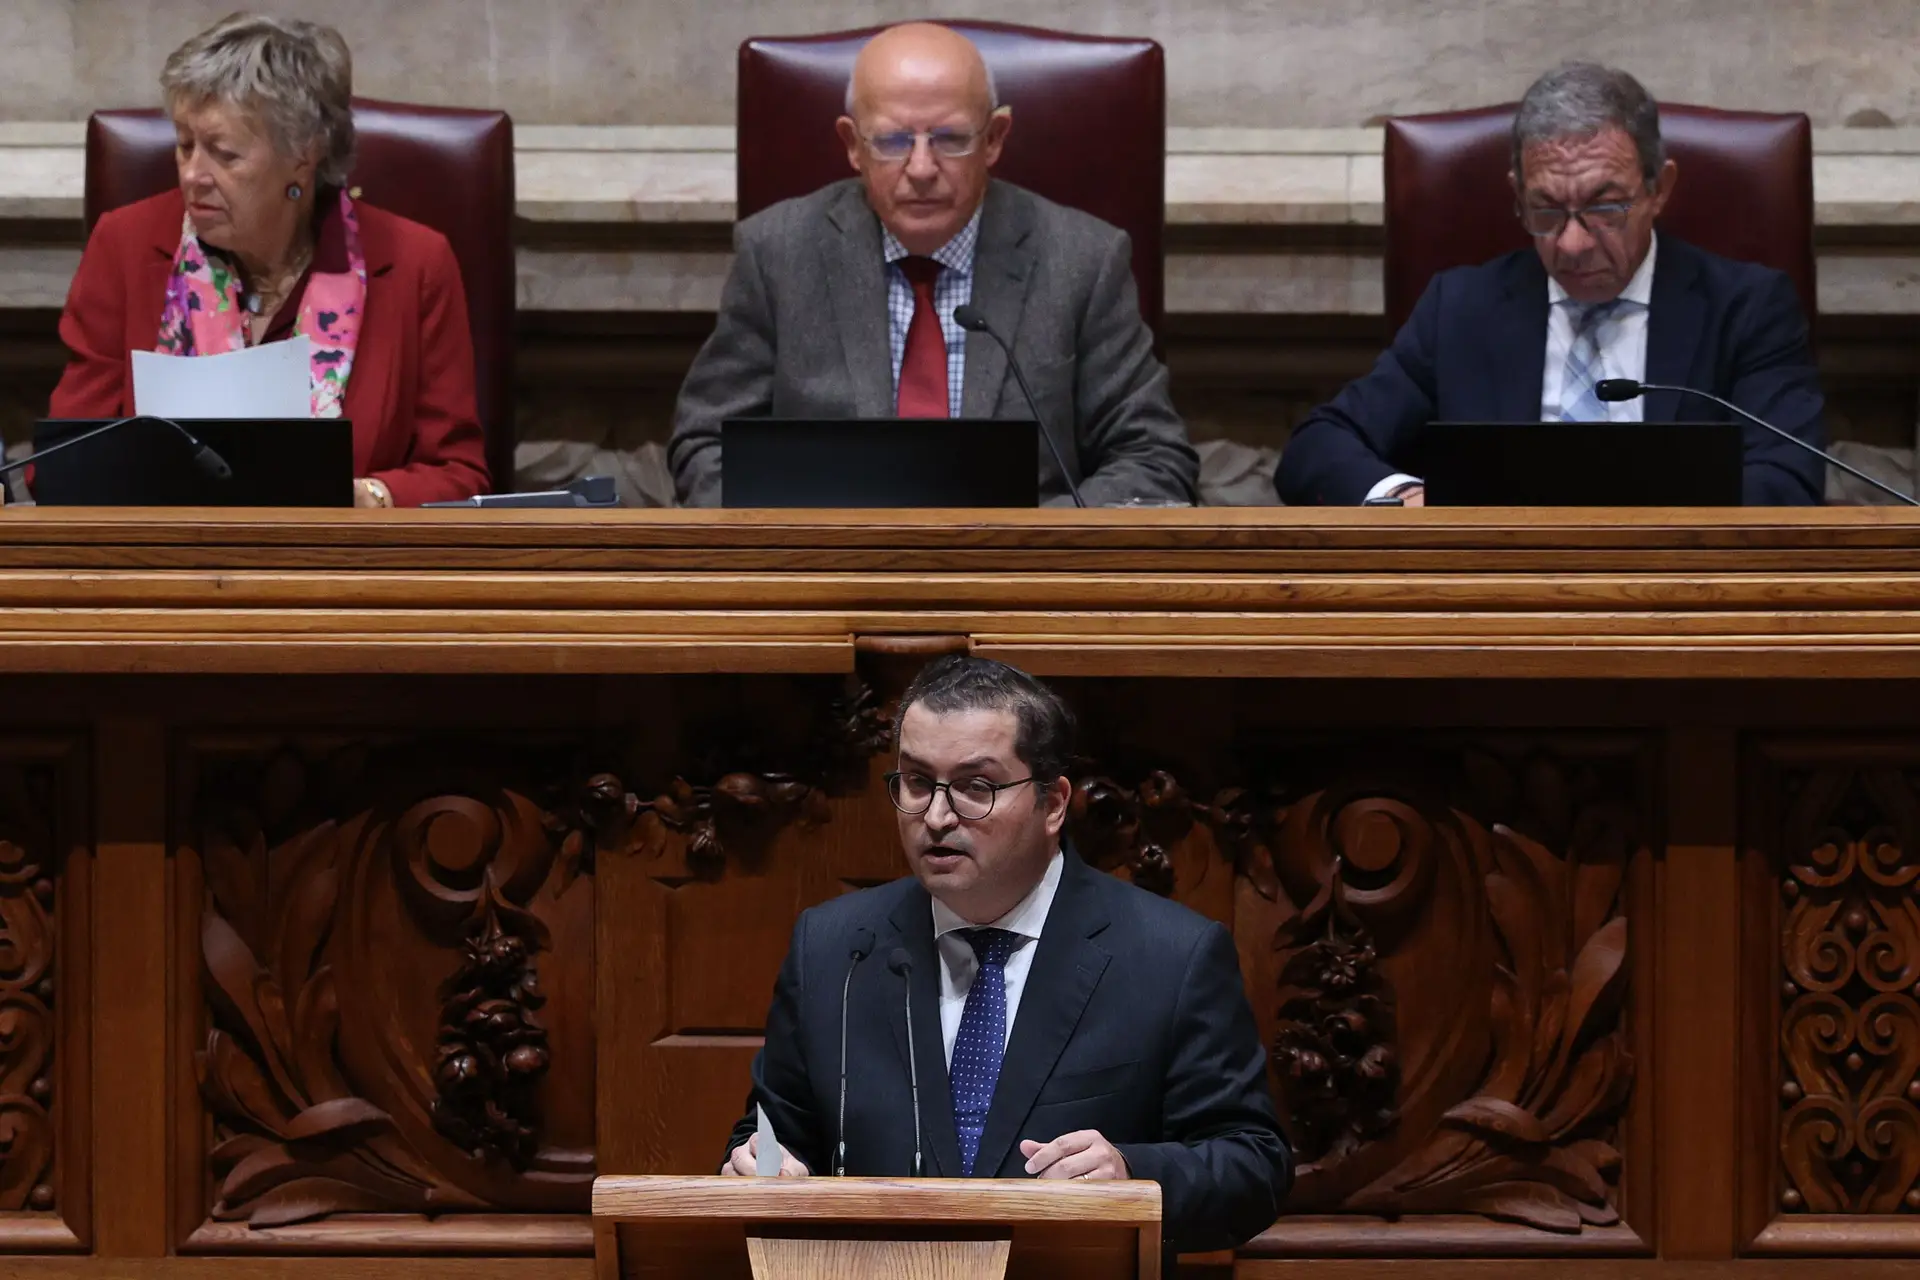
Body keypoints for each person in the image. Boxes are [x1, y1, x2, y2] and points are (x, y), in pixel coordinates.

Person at [721, 655, 1290, 1260]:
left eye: (976, 787)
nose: (936, 817)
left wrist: (1133, 1175)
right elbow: (770, 1134)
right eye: (917, 782)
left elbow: (1254, 1163)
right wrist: (760, 1163)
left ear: (1053, 803)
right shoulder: (835, 948)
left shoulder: (1171, 956)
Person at [669, 22, 1198, 508]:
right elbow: (706, 442)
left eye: (950, 139)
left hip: (1019, 571)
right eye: (893, 141)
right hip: (830, 568)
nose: (921, 168)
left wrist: (1015, 543)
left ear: (994, 139)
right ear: (853, 146)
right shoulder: (779, 252)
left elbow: (1152, 457)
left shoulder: (1083, 260)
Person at [1276, 62, 1825, 507]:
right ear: (1517, 196)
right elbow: (1318, 447)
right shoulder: (1461, 309)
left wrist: (1633, 523)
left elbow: (1788, 479)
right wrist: (1406, 500)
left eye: (1604, 208)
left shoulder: (1746, 309)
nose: (1572, 244)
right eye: (1545, 211)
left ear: (1660, 189)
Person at [43, 13, 489, 507]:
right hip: (166, 549)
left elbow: (458, 474)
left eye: (224, 154)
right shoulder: (125, 244)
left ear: (303, 155)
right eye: (185, 145)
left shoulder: (414, 264)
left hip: (339, 551)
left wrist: (364, 498)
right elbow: (61, 463)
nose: (193, 175)